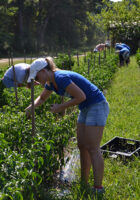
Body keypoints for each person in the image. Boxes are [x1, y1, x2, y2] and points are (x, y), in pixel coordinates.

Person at [25, 57, 109, 193]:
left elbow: (81, 96)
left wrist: (60, 107)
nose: (37, 79)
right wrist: (30, 108)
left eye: (37, 76)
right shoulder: (50, 83)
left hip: (97, 105)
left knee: (93, 148)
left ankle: (98, 187)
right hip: (85, 108)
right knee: (82, 146)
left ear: (44, 71)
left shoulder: (60, 77)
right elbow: (42, 98)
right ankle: (84, 182)